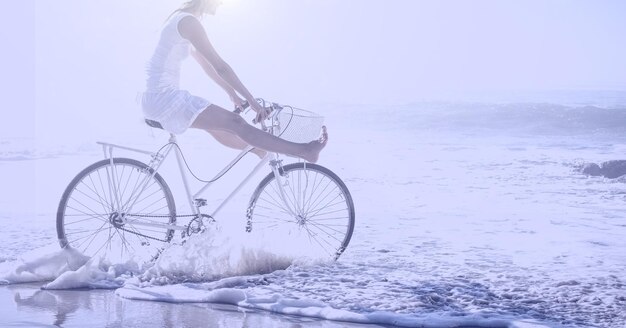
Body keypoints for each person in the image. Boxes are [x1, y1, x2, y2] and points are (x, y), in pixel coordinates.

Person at [142, 0, 328, 162]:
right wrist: (252, 101)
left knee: (220, 127)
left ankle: (259, 148)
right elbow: (220, 66)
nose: (222, 2)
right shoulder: (189, 22)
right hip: (165, 99)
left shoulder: (183, 19)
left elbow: (207, 66)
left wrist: (232, 94)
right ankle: (304, 151)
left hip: (159, 99)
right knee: (236, 122)